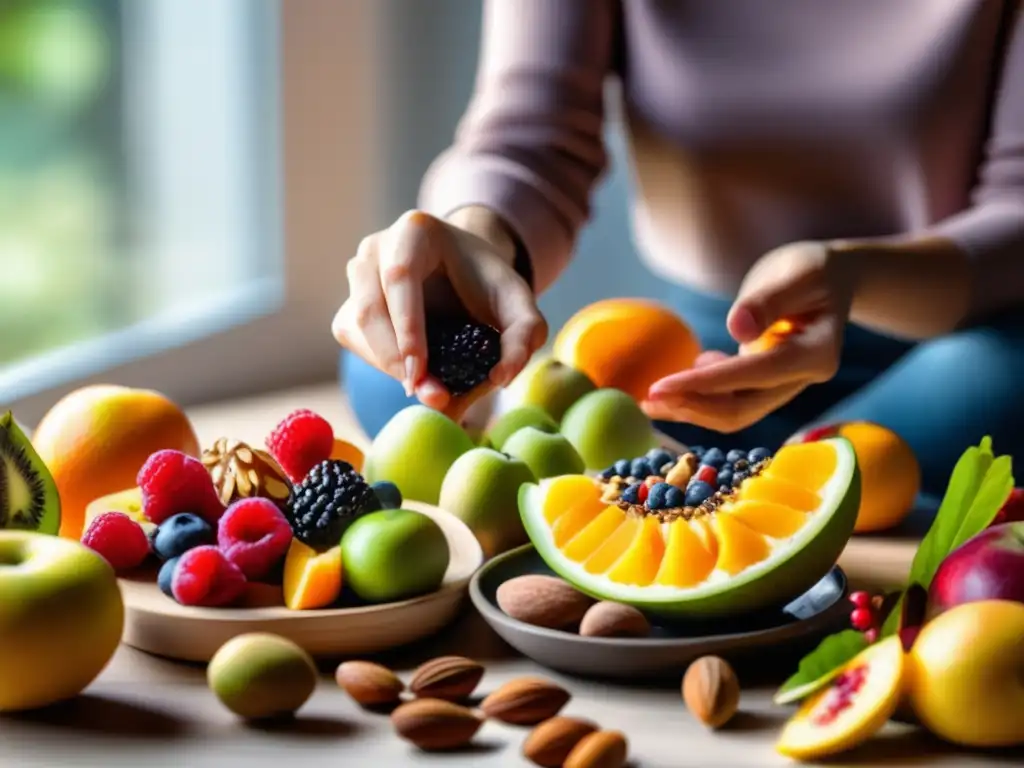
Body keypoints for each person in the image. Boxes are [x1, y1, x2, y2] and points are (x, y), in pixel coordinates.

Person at [333, 0, 1024, 498]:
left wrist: (853, 277)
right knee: (392, 356)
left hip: (957, 347)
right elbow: (530, 133)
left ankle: (731, 488)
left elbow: (1015, 212)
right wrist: (473, 243)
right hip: (703, 358)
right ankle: (802, 486)